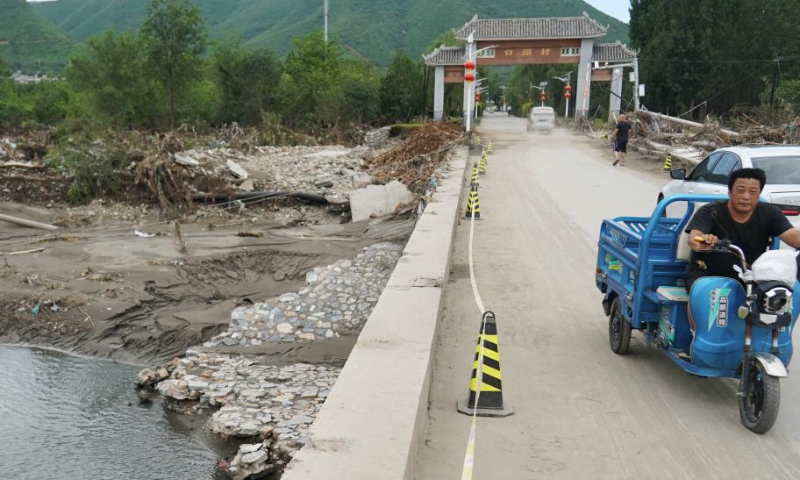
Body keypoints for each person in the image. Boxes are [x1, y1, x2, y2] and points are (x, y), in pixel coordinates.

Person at [684, 168, 800, 332]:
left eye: (753, 192)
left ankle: (770, 341)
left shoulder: (770, 213)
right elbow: (694, 238)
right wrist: (704, 241)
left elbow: (793, 236)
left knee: (784, 292)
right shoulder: (711, 212)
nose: (746, 196)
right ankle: (698, 336)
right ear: (730, 192)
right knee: (703, 290)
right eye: (740, 190)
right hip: (708, 273)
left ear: (759, 194)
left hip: (751, 276)